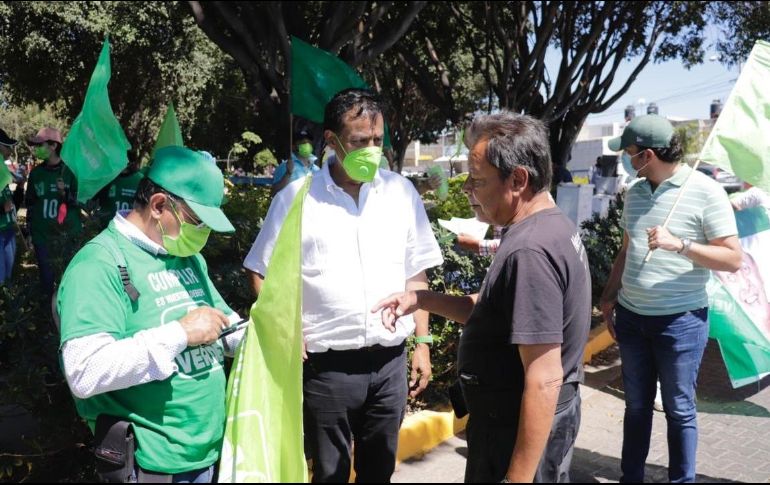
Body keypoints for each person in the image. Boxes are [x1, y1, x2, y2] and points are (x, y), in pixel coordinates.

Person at [373, 111, 591, 483]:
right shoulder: (543, 226)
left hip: (515, 428)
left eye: (477, 182)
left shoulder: (531, 249)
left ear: (518, 180)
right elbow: (492, 309)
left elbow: (544, 375)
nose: (467, 192)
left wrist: (517, 479)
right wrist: (422, 299)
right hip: (513, 421)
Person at [244, 88, 443, 483]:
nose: (372, 149)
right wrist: (286, 326)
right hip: (327, 371)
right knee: (329, 475)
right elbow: (259, 268)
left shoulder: (400, 194)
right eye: (359, 141)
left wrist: (423, 344)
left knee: (378, 472)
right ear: (332, 141)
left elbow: (415, 274)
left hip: (389, 365)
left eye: (376, 140)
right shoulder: (296, 199)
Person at [58, 146, 245, 482]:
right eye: (197, 221)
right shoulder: (98, 264)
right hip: (152, 465)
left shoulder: (186, 258)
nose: (204, 233)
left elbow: (224, 326)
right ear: (159, 205)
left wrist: (271, 331)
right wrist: (179, 334)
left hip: (206, 454)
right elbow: (84, 370)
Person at [600, 114, 742, 483]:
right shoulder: (635, 192)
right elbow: (627, 248)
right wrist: (609, 294)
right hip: (632, 318)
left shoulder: (705, 191)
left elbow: (732, 259)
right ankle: (632, 477)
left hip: (680, 323)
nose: (626, 160)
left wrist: (679, 244)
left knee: (679, 410)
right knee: (636, 407)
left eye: (629, 153)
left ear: (647, 155)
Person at [25, 127, 83, 297]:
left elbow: (82, 201)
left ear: (53, 146)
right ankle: (47, 316)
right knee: (46, 277)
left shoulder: (70, 171)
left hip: (66, 234)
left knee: (68, 276)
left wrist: (65, 194)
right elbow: (30, 203)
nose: (36, 149)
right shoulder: (36, 173)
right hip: (42, 235)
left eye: (39, 145)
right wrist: (29, 231)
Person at [96, 159, 144, 227]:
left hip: (129, 229)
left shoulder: (141, 180)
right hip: (107, 228)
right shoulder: (107, 178)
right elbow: (96, 200)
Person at [271, 128, 320, 195]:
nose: (307, 145)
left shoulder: (317, 169)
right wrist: (288, 174)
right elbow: (274, 193)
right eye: (303, 143)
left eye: (309, 142)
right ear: (293, 146)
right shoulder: (284, 167)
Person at [0, 129, 19, 285]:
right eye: (7, 146)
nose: (11, 151)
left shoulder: (3, 171)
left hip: (8, 229)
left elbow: (12, 205)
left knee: (7, 278)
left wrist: (20, 189)